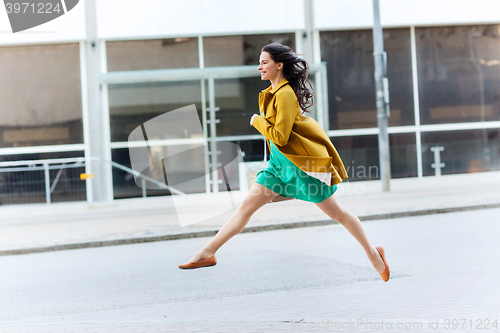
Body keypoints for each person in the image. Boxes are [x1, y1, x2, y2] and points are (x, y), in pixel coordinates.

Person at [178, 43, 390, 282]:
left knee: (338, 213)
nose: (259, 66)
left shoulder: (286, 94)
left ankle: (374, 255)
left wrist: (257, 121)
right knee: (246, 207)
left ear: (279, 65)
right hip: (278, 167)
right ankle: (207, 253)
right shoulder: (270, 93)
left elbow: (280, 136)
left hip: (300, 167)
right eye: (260, 62)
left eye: (264, 62)